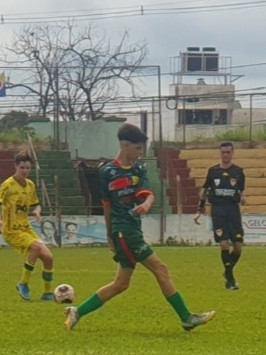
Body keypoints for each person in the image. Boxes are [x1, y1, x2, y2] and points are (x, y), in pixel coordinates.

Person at [65, 124, 215, 332]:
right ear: (125, 146)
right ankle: (186, 317)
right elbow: (106, 206)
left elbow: (148, 193)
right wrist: (110, 235)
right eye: (137, 149)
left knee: (121, 284)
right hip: (124, 231)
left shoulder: (138, 169)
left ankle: (77, 311)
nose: (140, 153)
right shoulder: (106, 172)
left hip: (132, 229)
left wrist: (146, 203)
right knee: (161, 269)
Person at [0, 152, 55, 301]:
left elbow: (36, 204)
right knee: (37, 248)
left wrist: (37, 212)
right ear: (15, 166)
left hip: (26, 229)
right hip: (12, 230)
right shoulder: (8, 184)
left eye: (27, 168)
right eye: (22, 167)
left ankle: (47, 293)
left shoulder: (30, 185)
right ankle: (23, 283)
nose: (25, 171)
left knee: (49, 258)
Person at [194, 141, 246, 290]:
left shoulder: (238, 172)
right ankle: (230, 280)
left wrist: (242, 197)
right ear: (220, 153)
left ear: (232, 153)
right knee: (224, 244)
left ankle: (227, 272)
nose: (225, 155)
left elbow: (240, 191)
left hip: (233, 211)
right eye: (223, 152)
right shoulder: (213, 171)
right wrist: (200, 209)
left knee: (237, 247)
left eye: (228, 152)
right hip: (218, 211)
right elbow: (204, 191)